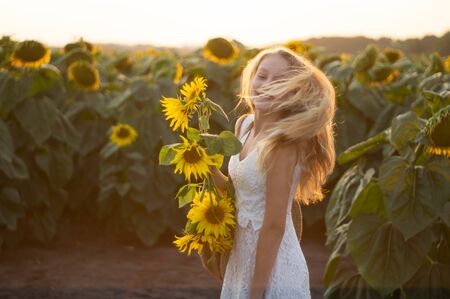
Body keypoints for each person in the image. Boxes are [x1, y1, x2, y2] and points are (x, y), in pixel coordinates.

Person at [209, 46, 336, 299]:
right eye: (262, 75)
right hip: (241, 259)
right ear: (251, 76)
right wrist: (206, 165)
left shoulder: (283, 144)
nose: (266, 84)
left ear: (293, 89)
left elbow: (274, 226)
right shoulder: (244, 125)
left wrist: (256, 293)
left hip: (273, 267)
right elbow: (237, 191)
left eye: (278, 80)